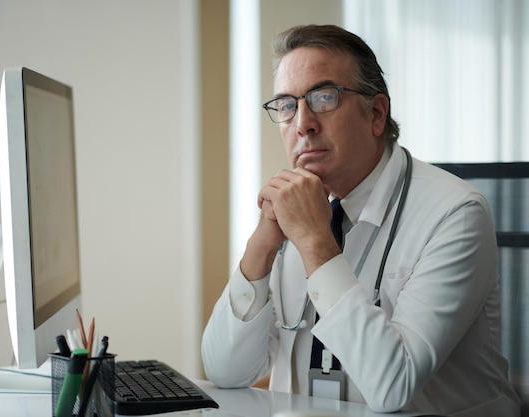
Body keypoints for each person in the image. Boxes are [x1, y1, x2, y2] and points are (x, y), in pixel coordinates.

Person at [201, 24, 520, 416]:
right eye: (286, 104)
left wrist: (316, 241)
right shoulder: (294, 206)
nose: (302, 123)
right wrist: (261, 247)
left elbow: (392, 386)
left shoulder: (455, 214)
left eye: (323, 97)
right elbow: (224, 371)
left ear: (376, 113)